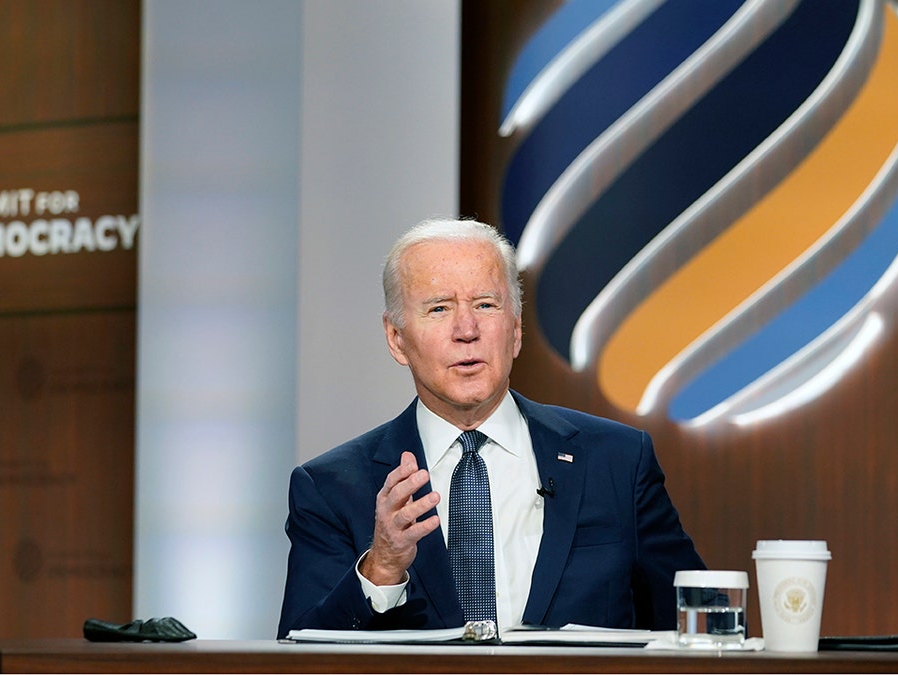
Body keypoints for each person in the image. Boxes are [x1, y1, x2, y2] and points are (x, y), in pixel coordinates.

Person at [277, 217, 704, 639]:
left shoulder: (617, 460)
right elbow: (296, 659)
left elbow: (697, 627)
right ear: (396, 338)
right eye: (439, 308)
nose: (467, 330)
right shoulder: (331, 488)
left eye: (485, 305)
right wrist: (381, 569)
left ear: (515, 331)